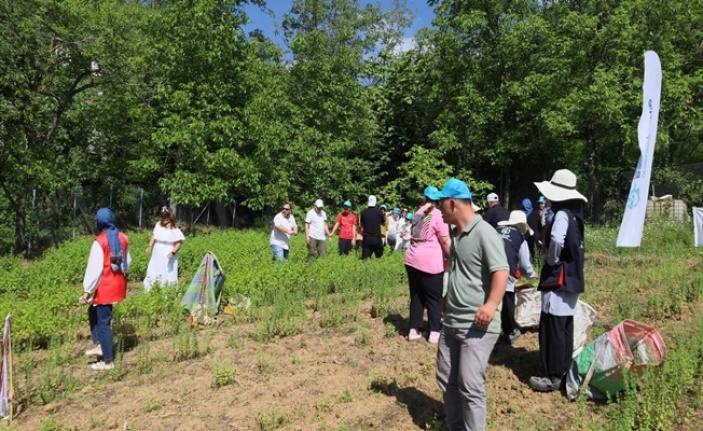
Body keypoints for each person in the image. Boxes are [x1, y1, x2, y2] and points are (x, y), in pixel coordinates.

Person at [435, 178, 509, 431]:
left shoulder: (484, 232)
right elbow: (460, 271)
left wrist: (491, 305)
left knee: (470, 386)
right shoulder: (457, 235)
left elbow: (501, 271)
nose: (438, 209)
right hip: (452, 322)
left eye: (441, 203)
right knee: (446, 379)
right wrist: (448, 297)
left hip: (477, 324)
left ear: (453, 203)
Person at [528, 169, 587, 393]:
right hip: (572, 278)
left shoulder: (561, 216)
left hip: (559, 279)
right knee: (564, 327)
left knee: (552, 326)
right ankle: (563, 371)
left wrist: (551, 261)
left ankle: (551, 376)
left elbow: (556, 239)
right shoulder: (576, 216)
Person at [81, 208, 131, 371]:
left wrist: (87, 291)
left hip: (106, 286)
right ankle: (100, 345)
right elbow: (127, 262)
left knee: (103, 322)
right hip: (117, 283)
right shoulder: (122, 237)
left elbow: (95, 269)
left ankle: (107, 361)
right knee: (93, 312)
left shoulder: (100, 241)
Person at [404, 186, 451, 343]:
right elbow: (444, 240)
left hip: (412, 259)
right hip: (430, 262)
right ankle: (434, 332)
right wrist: (454, 257)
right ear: (438, 200)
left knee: (417, 295)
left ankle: (413, 330)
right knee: (434, 298)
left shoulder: (418, 213)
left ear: (424, 198)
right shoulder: (437, 214)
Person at [496, 210, 538, 344]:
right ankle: (509, 331)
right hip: (505, 270)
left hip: (487, 268)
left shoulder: (496, 230)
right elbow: (525, 264)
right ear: (522, 225)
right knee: (507, 301)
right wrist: (532, 274)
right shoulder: (520, 238)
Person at [144, 207, 185, 291]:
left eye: (165, 217)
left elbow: (179, 243)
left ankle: (168, 291)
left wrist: (173, 252)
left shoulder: (174, 228)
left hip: (168, 252)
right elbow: (154, 236)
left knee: (167, 271)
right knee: (154, 269)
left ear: (170, 217)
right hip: (157, 251)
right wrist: (149, 246)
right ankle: (151, 289)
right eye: (162, 217)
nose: (163, 220)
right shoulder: (158, 225)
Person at [360, 195, 386, 259]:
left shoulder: (363, 212)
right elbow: (383, 223)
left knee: (365, 260)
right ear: (375, 202)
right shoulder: (379, 212)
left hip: (367, 238)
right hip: (376, 238)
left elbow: (361, 224)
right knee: (379, 258)